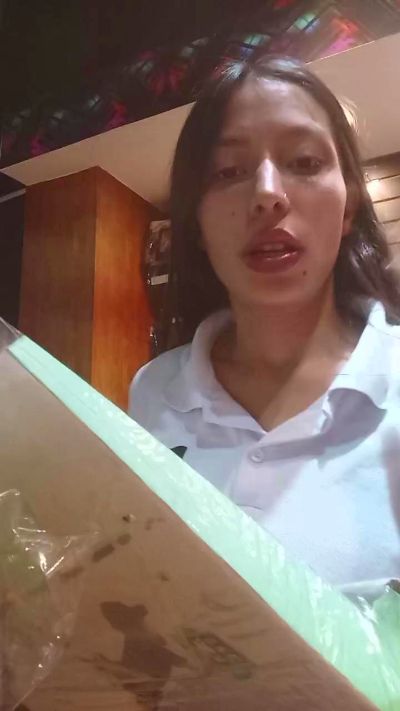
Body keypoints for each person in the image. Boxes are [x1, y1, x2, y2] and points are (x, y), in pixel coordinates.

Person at [129, 55, 400, 598]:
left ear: (349, 205)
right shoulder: (154, 389)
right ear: (196, 222)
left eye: (304, 161)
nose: (267, 193)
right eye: (228, 171)